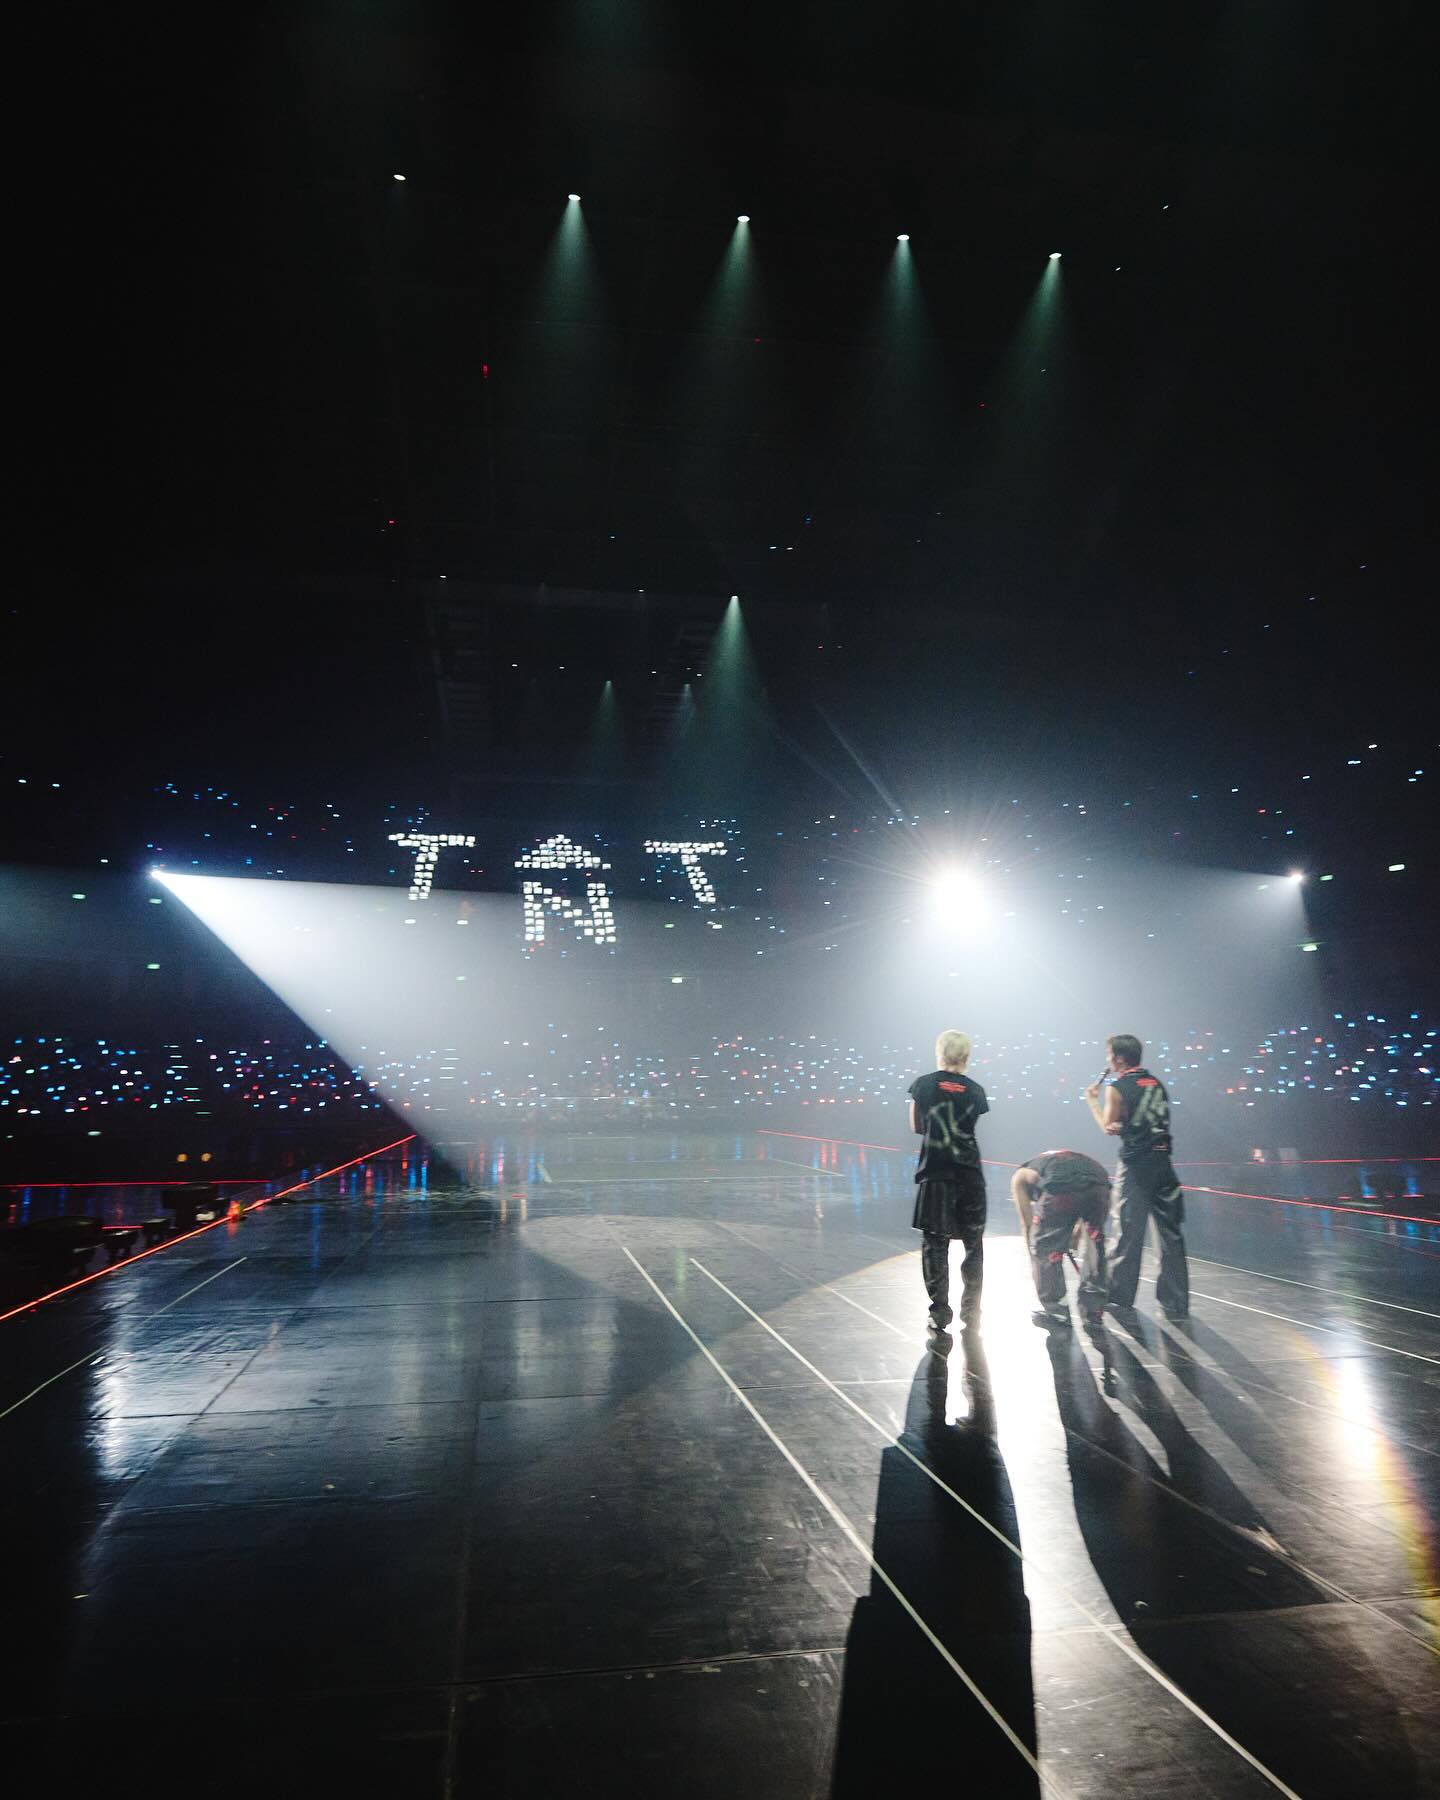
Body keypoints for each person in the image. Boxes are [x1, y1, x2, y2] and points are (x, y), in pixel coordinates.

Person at [1084, 1034, 1190, 1320]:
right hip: (1163, 1164)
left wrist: (1093, 1102)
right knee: (1170, 1235)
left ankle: (1120, 1298)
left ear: (1119, 1059)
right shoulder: (1157, 1084)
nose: (1108, 1061)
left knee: (1127, 1233)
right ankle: (1176, 1303)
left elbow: (1109, 1127)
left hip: (1136, 1168)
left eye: (1109, 1055)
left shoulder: (1117, 1088)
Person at [908, 1030, 989, 1336]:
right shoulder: (976, 1090)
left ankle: (940, 1313)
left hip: (937, 1172)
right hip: (970, 1173)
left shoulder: (924, 1085)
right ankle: (973, 1312)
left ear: (939, 1051)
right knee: (973, 1245)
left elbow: (917, 1126)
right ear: (966, 1056)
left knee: (935, 1244)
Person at [1010, 1149, 1110, 1328]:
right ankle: (1094, 1309)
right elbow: (1081, 1207)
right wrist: (1073, 1237)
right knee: (1095, 1240)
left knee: (1045, 1248)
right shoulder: (1055, 1161)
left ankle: (1057, 1311)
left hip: (1060, 1187)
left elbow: (1027, 1225)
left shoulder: (1019, 1176)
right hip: (1100, 1184)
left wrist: (1035, 1252)